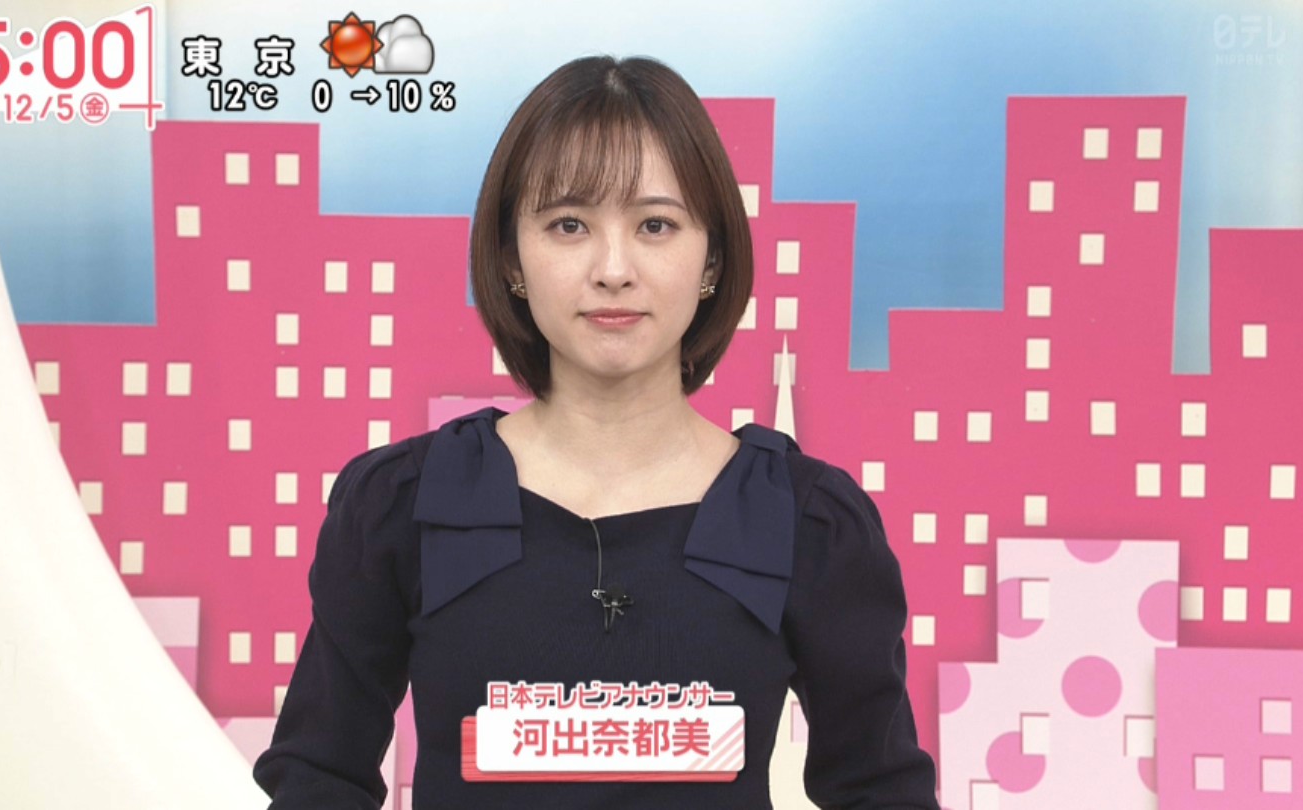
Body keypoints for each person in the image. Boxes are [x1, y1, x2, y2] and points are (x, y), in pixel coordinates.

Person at [253, 54, 939, 809]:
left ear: (711, 259)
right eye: (569, 225)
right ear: (512, 258)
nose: (614, 269)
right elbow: (318, 778)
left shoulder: (805, 521)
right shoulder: (405, 504)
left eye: (655, 225)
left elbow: (882, 792)